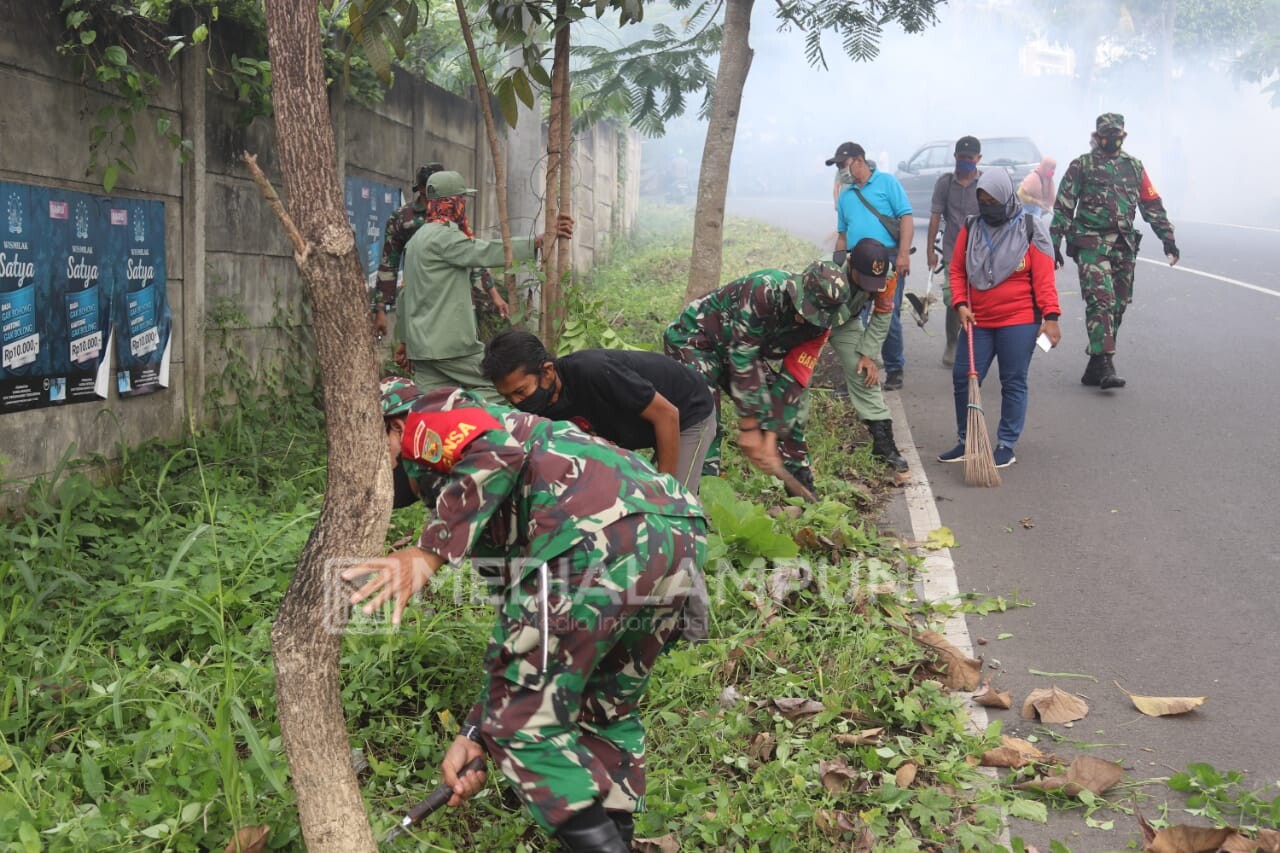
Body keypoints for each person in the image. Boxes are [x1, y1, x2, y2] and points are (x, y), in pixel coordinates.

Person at [347, 380, 707, 852]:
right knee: (601, 702)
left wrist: (427, 553)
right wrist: (476, 732)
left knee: (523, 722)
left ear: (392, 428)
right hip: (675, 530)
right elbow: (521, 642)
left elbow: (496, 452)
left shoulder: (423, 415)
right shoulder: (487, 490)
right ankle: (613, 838)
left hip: (595, 535)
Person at [664, 255, 907, 493]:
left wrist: (770, 435)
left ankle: (803, 495)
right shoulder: (763, 290)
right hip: (696, 340)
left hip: (740, 351)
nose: (807, 320)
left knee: (789, 420)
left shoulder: (823, 324)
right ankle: (691, 498)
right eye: (807, 312)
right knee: (705, 420)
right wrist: (750, 428)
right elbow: (742, 357)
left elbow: (793, 380)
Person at [398, 170, 573, 398]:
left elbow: (404, 294)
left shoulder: (417, 240)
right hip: (449, 347)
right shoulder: (443, 236)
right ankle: (472, 413)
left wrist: (404, 341)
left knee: (433, 404)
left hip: (421, 348)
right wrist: (537, 241)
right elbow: (483, 251)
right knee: (507, 384)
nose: (464, 207)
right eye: (462, 200)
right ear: (454, 203)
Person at [481, 330, 717, 492]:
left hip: (687, 410)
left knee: (677, 500)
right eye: (508, 397)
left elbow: (667, 415)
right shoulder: (543, 407)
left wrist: (666, 487)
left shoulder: (592, 371)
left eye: (521, 391)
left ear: (548, 371)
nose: (517, 401)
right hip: (640, 424)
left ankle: (694, 551)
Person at [937, 169, 1062, 468]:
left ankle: (1006, 443)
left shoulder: (1031, 229)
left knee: (1013, 380)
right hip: (977, 320)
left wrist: (1051, 317)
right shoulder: (972, 227)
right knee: (963, 377)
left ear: (1007, 198)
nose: (988, 206)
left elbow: (1044, 279)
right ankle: (967, 439)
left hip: (1019, 320)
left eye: (993, 200)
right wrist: (960, 304)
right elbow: (956, 271)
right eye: (983, 200)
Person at [1051, 113, 1179, 390]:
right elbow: (1063, 204)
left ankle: (1095, 363)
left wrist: (1167, 238)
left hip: (1123, 245)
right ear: (1097, 137)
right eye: (1105, 135)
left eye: (1116, 134)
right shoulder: (1081, 165)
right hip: (1090, 242)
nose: (1111, 139)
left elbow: (1151, 204)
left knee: (1118, 305)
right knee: (1101, 300)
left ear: (1124, 136)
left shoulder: (1134, 167)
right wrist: (1055, 241)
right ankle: (1107, 362)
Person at [371, 162, 511, 342]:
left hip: (455, 299)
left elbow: (473, 254)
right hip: (420, 299)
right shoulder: (402, 218)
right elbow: (388, 264)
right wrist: (381, 309)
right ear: (422, 189)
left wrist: (494, 295)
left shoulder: (455, 216)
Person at [827, 141, 913, 390]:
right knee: (855, 316)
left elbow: (905, 217)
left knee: (888, 314)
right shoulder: (846, 197)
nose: (842, 171)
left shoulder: (887, 183)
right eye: (839, 167)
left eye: (844, 165)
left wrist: (903, 255)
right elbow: (842, 235)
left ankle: (895, 368)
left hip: (887, 258)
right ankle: (860, 368)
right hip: (856, 262)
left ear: (860, 160)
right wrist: (838, 266)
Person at [925, 136, 984, 368]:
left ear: (978, 159)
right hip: (952, 251)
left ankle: (974, 343)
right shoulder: (945, 183)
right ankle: (952, 341)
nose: (965, 161)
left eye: (970, 158)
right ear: (955, 157)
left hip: (980, 252)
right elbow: (935, 216)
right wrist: (930, 251)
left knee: (977, 298)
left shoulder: (985, 184)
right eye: (961, 157)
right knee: (953, 298)